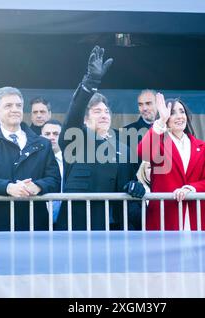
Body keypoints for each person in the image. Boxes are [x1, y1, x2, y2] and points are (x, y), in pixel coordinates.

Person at [55, 46, 145, 231]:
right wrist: (90, 83)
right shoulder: (76, 139)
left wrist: (136, 187)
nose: (103, 115)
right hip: (80, 225)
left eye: (106, 111)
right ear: (86, 118)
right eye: (97, 111)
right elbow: (75, 113)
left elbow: (131, 180)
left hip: (116, 227)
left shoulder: (124, 148)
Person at [0, 87, 61, 231]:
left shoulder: (43, 143)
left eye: (18, 105)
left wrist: (37, 186)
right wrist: (8, 187)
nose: (15, 109)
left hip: (34, 224)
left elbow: (54, 179)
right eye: (8, 106)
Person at [137, 93, 205, 231]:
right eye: (173, 113)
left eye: (182, 111)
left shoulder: (203, 147)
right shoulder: (160, 144)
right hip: (165, 217)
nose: (179, 116)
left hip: (196, 217)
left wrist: (190, 188)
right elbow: (143, 152)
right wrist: (161, 121)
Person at [41, 119, 63, 224]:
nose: (51, 137)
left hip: (66, 219)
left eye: (56, 134)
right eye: (47, 134)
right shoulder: (34, 162)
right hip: (41, 218)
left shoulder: (71, 162)